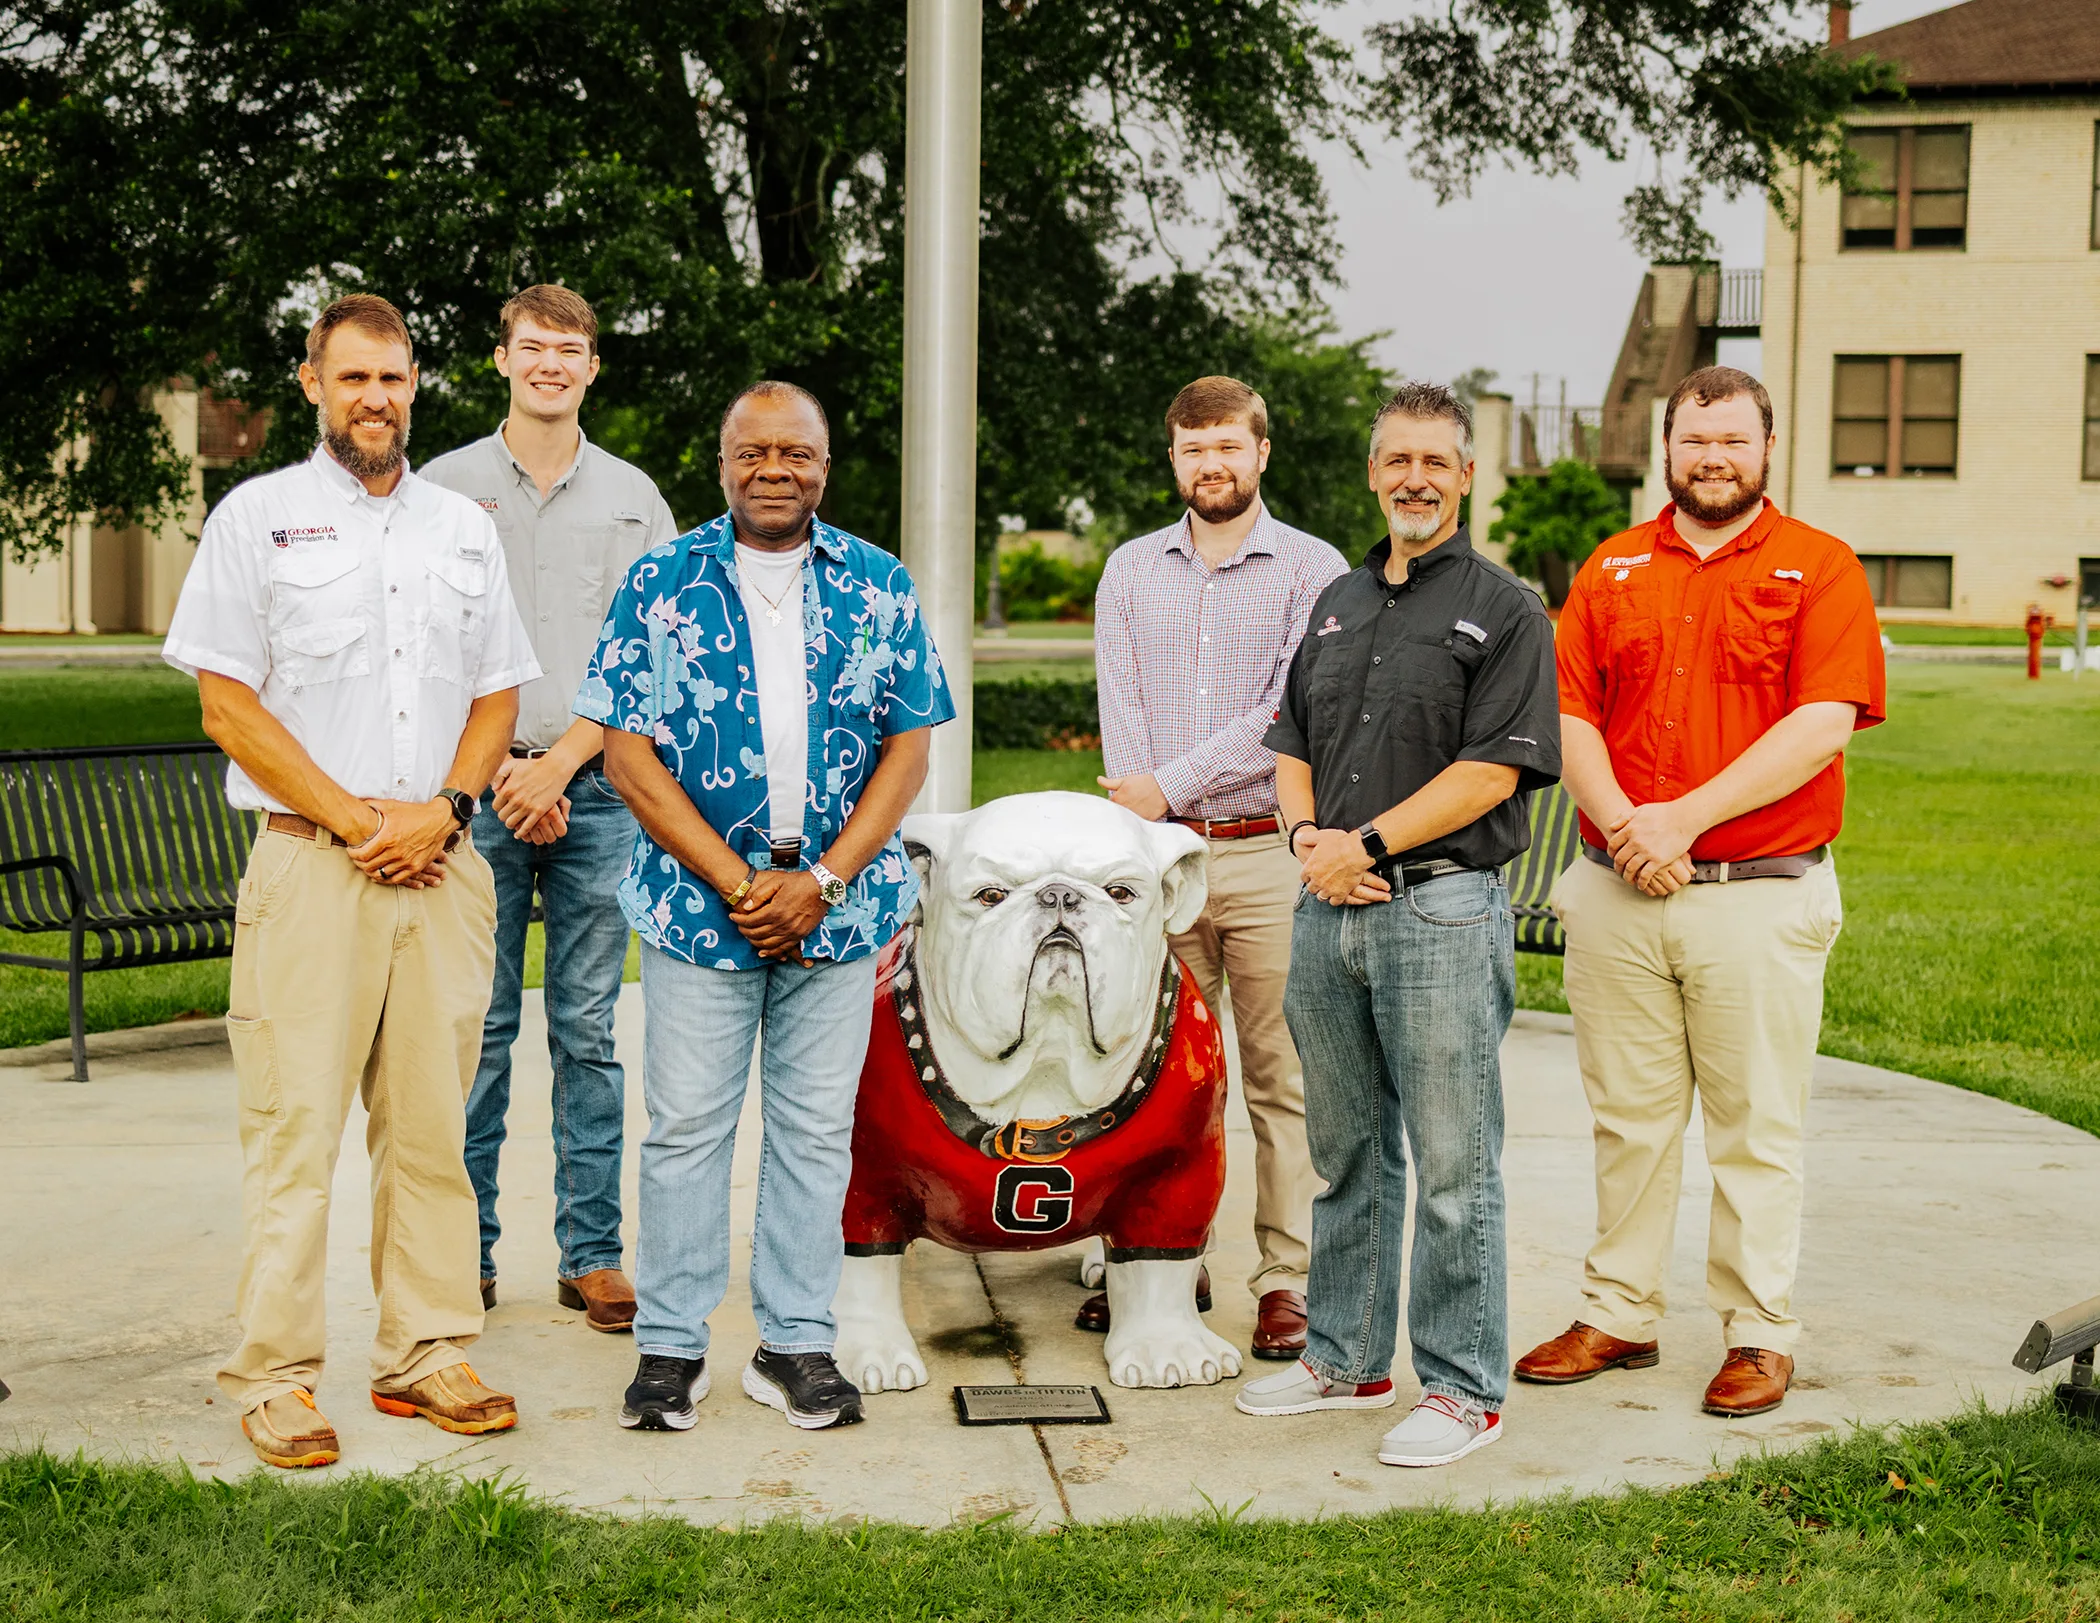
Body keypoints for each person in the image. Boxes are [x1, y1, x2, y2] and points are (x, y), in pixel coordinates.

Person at [163, 294, 541, 1469]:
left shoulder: (462, 529)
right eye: (353, 377)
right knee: (294, 1130)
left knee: (432, 1130)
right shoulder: (257, 517)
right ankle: (275, 1375)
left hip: (443, 867)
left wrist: (449, 811)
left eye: (392, 377)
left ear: (416, 383)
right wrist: (359, 820)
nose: (375, 398)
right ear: (314, 383)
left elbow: (497, 692)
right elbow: (227, 704)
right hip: (311, 867)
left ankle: (426, 1351)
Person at [578, 381, 954, 1433]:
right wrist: (743, 886)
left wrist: (822, 880)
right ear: (723, 464)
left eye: (796, 452)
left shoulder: (878, 583)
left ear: (825, 465)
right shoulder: (661, 581)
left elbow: (908, 750)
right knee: (687, 1130)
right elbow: (627, 757)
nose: (774, 469)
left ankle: (795, 1342)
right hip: (699, 911)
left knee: (813, 1132)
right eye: (754, 452)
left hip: (840, 908)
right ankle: (670, 1346)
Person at [1515, 366, 1885, 1417]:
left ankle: (1759, 1332)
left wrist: (1679, 820)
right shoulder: (1613, 564)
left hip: (1758, 892)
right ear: (1667, 448)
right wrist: (1632, 829)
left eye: (1732, 440)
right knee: (1628, 1122)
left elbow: (1823, 721)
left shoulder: (1820, 566)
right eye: (1694, 440)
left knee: (1754, 1128)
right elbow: (1569, 714)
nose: (1712, 458)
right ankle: (1619, 1313)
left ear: (1766, 447)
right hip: (1617, 892)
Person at [1234, 380, 1560, 1470]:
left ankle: (1464, 1390)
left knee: (1456, 1163)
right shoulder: (1336, 600)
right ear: (1373, 474)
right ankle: (1346, 1358)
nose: (1414, 479)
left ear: (1465, 476)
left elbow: (1492, 772)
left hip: (1440, 908)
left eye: (1435, 461)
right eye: (1396, 460)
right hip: (1326, 906)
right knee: (1346, 1151)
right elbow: (1290, 743)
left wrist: (1362, 846)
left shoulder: (1507, 611)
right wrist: (1307, 844)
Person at [422, 286, 679, 1332]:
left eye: (569, 350)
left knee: (587, 1030)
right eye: (532, 347)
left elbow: (656, 655)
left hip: (600, 795)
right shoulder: (442, 489)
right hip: (473, 795)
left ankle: (593, 1256)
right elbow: (423, 650)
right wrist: (494, 775)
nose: (550, 365)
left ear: (592, 367)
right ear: (501, 359)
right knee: (476, 1031)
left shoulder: (634, 499)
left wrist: (564, 762)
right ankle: (463, 1255)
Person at [1092, 375, 1347, 1359]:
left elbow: (1290, 711)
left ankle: (1288, 1278)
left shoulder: (1313, 569)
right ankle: (1160, 1255)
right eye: (1194, 449)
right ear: (1174, 458)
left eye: (1229, 446)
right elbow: (1121, 704)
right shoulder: (1129, 570)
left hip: (1267, 853)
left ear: (1261, 453)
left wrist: (1166, 784)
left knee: (1284, 1077)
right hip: (1158, 861)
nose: (1212, 464)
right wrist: (1148, 813)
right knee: (1154, 1073)